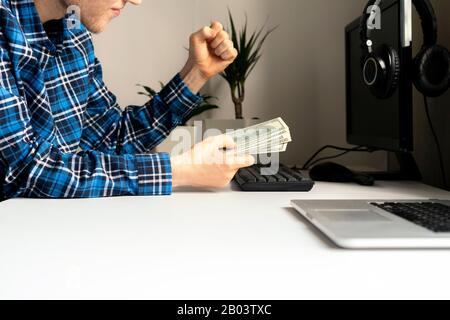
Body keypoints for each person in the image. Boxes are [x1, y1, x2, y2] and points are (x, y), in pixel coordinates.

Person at [0, 0, 255, 200]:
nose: (136, 0)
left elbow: (113, 138)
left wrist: (196, 74)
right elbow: (26, 171)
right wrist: (179, 171)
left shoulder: (73, 30)